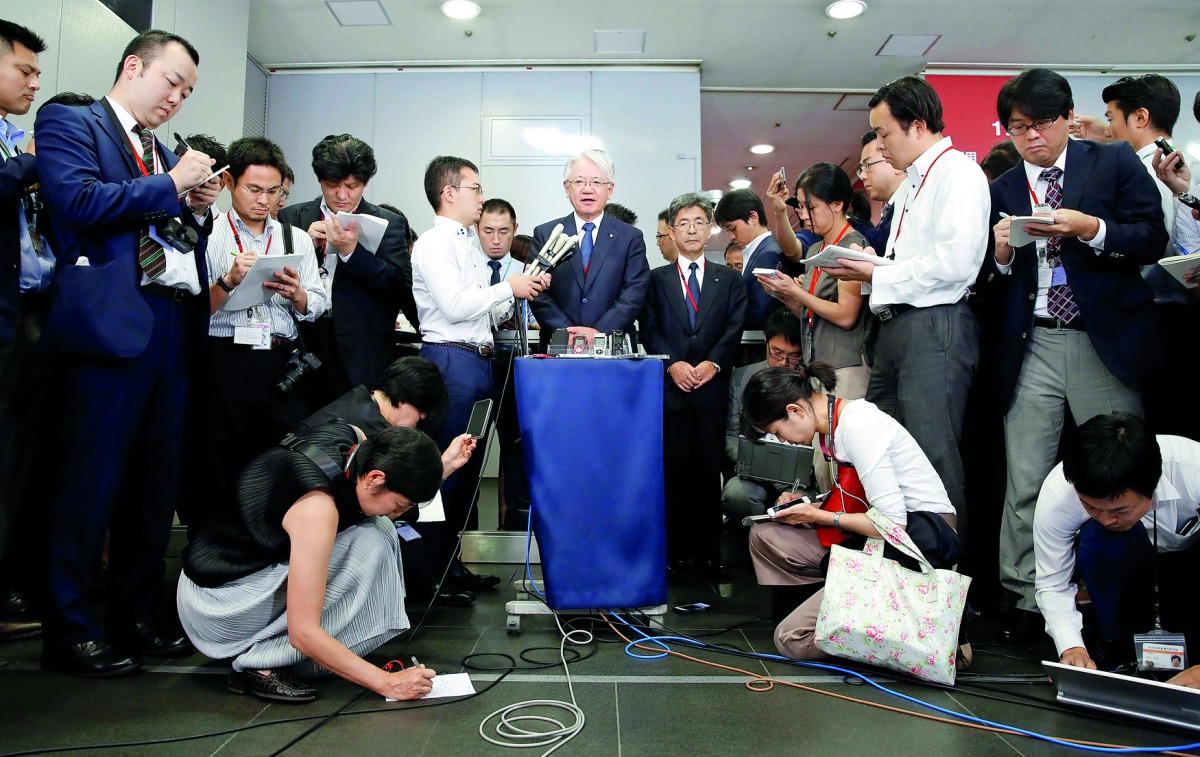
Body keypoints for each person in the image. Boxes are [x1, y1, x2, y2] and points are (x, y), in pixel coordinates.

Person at [34, 29, 216, 678]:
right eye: (172, 82)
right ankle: (71, 628)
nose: (177, 98)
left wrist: (193, 208)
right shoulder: (72, 121)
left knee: (153, 485)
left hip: (170, 323)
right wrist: (170, 183)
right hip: (109, 323)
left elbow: (167, 234)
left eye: (187, 92)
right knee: (91, 482)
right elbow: (77, 201)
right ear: (134, 66)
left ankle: (133, 616)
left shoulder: (160, 151)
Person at [980, 68, 1166, 644]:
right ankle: (1024, 598)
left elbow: (1151, 237)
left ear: (1066, 117)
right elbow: (991, 283)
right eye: (1018, 127)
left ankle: (1123, 599)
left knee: (1117, 470)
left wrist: (1093, 229)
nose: (1031, 137)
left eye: (1040, 123)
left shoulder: (1111, 162)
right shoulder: (1004, 187)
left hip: (1100, 338)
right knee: (1025, 477)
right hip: (1031, 341)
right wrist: (1002, 256)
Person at [822, 75, 987, 544]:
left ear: (917, 125)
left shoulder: (957, 173)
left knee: (934, 459)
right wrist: (870, 267)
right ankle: (900, 569)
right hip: (895, 329)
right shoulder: (913, 182)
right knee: (884, 457)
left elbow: (954, 264)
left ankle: (947, 576)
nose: (880, 145)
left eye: (884, 133)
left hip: (933, 326)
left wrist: (876, 274)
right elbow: (909, 263)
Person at [178, 422, 446, 702]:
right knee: (372, 541)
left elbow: (385, 491)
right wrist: (387, 683)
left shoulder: (353, 438)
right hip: (215, 607)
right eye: (399, 505)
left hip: (226, 575)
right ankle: (262, 662)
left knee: (379, 528)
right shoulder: (316, 508)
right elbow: (303, 632)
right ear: (375, 478)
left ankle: (304, 652)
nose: (397, 513)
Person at [742, 363, 960, 660]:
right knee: (766, 535)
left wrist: (818, 516)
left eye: (776, 431)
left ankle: (911, 637)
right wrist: (809, 506)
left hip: (918, 544)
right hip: (875, 539)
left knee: (792, 639)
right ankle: (853, 610)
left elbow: (893, 524)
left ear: (795, 411)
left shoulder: (858, 424)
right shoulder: (830, 427)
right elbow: (855, 502)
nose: (781, 440)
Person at [411, 156, 548, 596]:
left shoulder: (465, 245)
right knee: (447, 470)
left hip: (475, 360)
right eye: (476, 188)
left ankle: (449, 564)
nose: (481, 196)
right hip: (451, 362)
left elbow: (481, 310)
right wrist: (508, 287)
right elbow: (454, 307)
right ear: (449, 192)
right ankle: (428, 572)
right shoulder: (435, 243)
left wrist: (521, 289)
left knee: (466, 470)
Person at [203, 137, 328, 503]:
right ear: (229, 183)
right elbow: (192, 311)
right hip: (224, 360)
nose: (264, 200)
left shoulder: (296, 239)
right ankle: (214, 536)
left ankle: (270, 534)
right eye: (254, 189)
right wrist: (228, 281)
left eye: (273, 192)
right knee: (218, 458)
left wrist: (297, 294)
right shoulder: (208, 235)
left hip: (279, 362)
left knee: (280, 459)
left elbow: (318, 303)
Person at [1033, 413, 1199, 672]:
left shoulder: (1194, 469)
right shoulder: (1059, 493)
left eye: (1120, 510)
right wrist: (1072, 648)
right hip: (1121, 565)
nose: (1107, 519)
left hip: (1190, 562)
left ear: (1152, 485)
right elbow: (1053, 583)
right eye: (1091, 507)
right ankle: (1112, 640)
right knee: (1098, 538)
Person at [641, 192, 747, 577]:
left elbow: (734, 327)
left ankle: (708, 555)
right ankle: (675, 555)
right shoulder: (656, 280)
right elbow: (648, 328)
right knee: (673, 473)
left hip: (711, 391)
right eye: (683, 223)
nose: (691, 230)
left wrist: (713, 363)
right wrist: (672, 364)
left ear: (710, 229)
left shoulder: (729, 279)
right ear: (671, 230)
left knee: (707, 473)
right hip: (672, 391)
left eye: (699, 222)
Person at [1096, 74, 1200, 441]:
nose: (1109, 129)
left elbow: (1162, 245)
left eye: (1111, 118)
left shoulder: (1141, 170)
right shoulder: (1178, 171)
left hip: (1162, 314)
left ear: (1139, 117)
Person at [278, 133, 416, 404]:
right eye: (332, 185)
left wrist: (352, 252)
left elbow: (399, 286)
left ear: (365, 182)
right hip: (303, 345)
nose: (342, 195)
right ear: (320, 180)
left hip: (361, 352)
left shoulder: (389, 222)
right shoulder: (292, 217)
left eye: (352, 186)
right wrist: (306, 246)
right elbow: (277, 280)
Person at [0, 18, 46, 644]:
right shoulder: (20, 154)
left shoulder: (13, 142)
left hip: (29, 319)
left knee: (17, 464)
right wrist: (33, 163)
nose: (34, 82)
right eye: (24, 70)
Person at [756, 163, 871, 410]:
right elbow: (811, 313)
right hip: (819, 366)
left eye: (811, 207)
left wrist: (796, 291)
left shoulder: (852, 246)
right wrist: (784, 294)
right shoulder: (816, 249)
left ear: (837, 204)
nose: (804, 215)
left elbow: (846, 316)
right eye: (800, 207)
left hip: (846, 365)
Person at [529, 149, 649, 348]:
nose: (587, 189)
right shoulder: (546, 234)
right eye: (579, 181)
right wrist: (567, 332)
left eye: (596, 182)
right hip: (559, 345)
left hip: (612, 346)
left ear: (610, 189)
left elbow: (634, 292)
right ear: (567, 188)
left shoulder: (630, 237)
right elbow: (536, 292)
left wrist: (599, 333)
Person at [476, 198, 534, 530]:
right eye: (488, 231)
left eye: (503, 231)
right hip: (476, 361)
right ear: (476, 229)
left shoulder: (526, 272)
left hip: (514, 363)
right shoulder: (467, 266)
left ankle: (513, 525)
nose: (496, 239)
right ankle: (465, 530)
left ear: (515, 230)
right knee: (472, 443)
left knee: (515, 444)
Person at [721, 308, 806, 518]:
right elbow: (731, 434)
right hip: (752, 471)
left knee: (800, 501)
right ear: (765, 342)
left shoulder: (810, 382)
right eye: (777, 353)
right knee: (736, 494)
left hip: (797, 476)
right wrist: (754, 462)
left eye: (794, 356)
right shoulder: (740, 378)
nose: (783, 362)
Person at [715, 187, 784, 332]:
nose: (731, 237)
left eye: (732, 228)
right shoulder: (757, 252)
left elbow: (761, 313)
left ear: (753, 218)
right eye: (727, 231)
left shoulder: (768, 255)